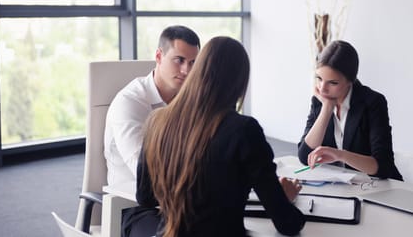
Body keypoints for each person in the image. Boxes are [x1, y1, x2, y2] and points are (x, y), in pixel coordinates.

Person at [125, 36, 305, 237]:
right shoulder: (244, 130)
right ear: (239, 81)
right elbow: (288, 224)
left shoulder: (157, 121)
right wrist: (283, 198)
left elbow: (146, 198)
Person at [104, 25, 200, 186]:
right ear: (158, 56)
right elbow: (142, 172)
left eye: (192, 63)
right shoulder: (129, 102)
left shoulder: (189, 99)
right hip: (133, 201)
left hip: (180, 192)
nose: (187, 71)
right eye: (179, 60)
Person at [298, 40, 402, 180]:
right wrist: (326, 109)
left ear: (350, 81)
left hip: (376, 186)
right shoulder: (319, 101)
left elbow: (383, 166)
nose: (322, 88)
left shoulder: (373, 103)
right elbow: (305, 156)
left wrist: (340, 154)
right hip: (342, 188)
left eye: (333, 82)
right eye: (319, 78)